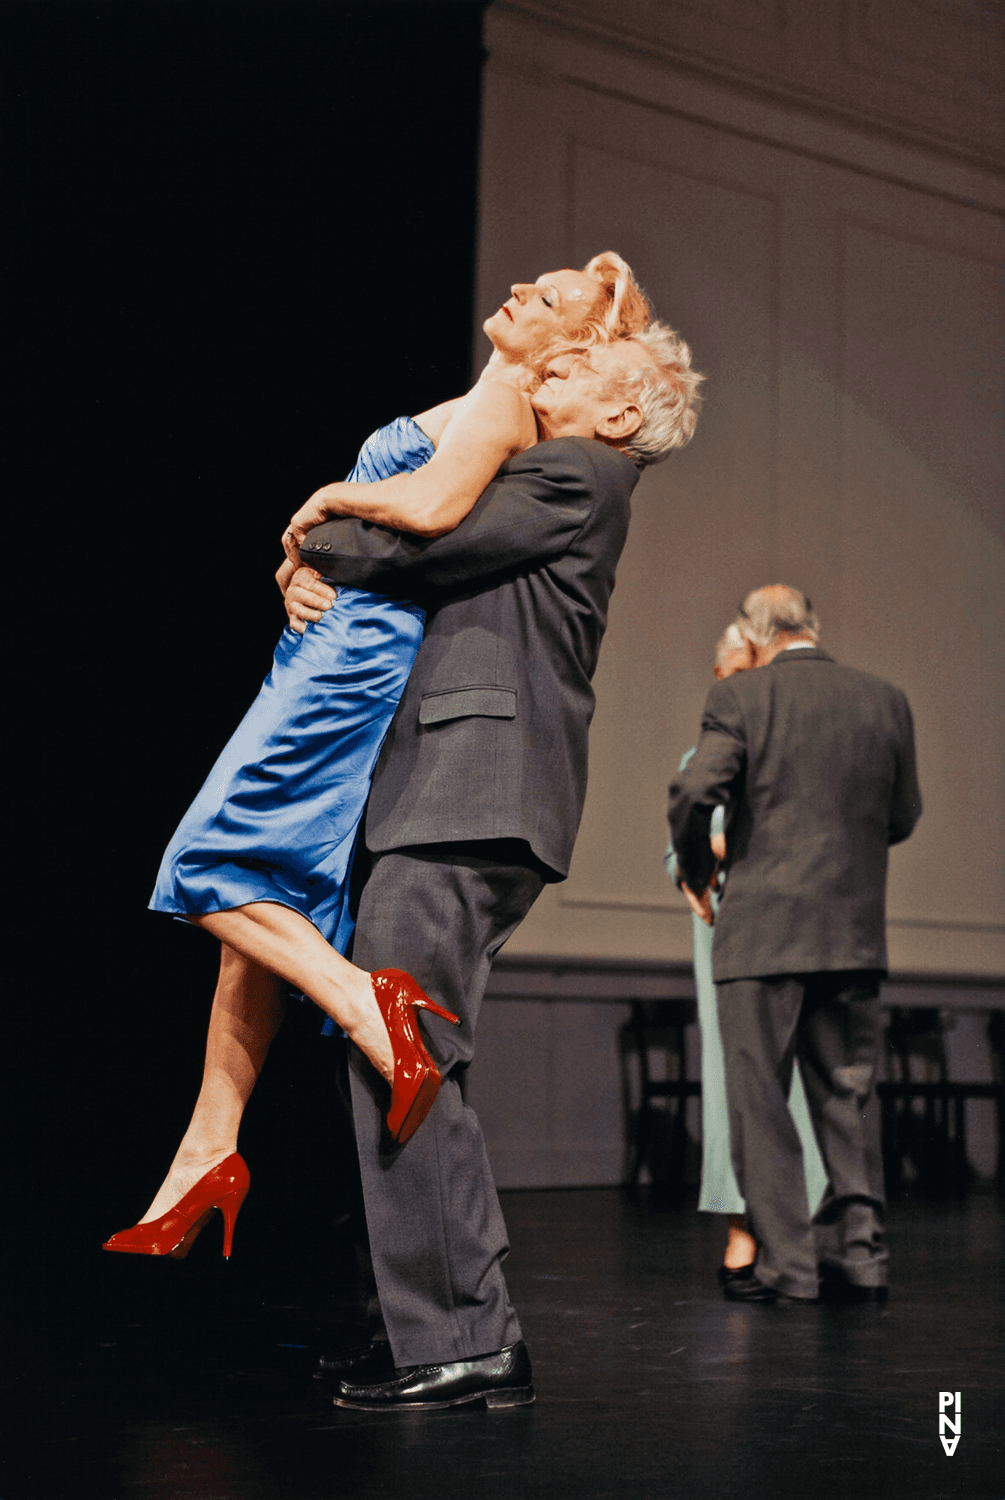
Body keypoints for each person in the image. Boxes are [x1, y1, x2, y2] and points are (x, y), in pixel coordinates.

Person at [102, 254, 677, 1260]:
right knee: (259, 911)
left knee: (204, 864)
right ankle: (207, 1151)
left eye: (548, 304)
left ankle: (373, 1009)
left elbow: (429, 517)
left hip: (356, 646)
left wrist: (313, 517)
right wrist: (301, 568)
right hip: (329, 633)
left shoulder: (520, 404)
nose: (519, 297)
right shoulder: (505, 386)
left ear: (578, 356)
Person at [284, 327, 703, 1410]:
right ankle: (437, 1328)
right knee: (400, 1050)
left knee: (399, 1047)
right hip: (454, 794)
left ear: (619, 415)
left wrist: (314, 537)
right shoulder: (563, 471)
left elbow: (424, 549)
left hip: (472, 794)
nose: (547, 367)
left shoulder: (578, 469)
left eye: (577, 368)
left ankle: (461, 1340)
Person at [668, 586, 921, 1304]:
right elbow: (902, 815)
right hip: (851, 929)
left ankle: (788, 1266)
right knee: (845, 1098)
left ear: (755, 633)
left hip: (761, 934)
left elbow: (694, 793)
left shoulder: (744, 699)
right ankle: (861, 1258)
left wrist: (696, 868)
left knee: (761, 1105)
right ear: (812, 626)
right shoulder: (885, 699)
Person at [665, 622, 827, 1292]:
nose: (728, 690)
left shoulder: (799, 752)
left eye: (742, 675)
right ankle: (741, 1223)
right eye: (722, 676)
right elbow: (682, 850)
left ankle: (802, 1225)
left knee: (801, 1077)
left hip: (795, 925)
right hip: (727, 927)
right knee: (737, 1075)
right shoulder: (698, 756)